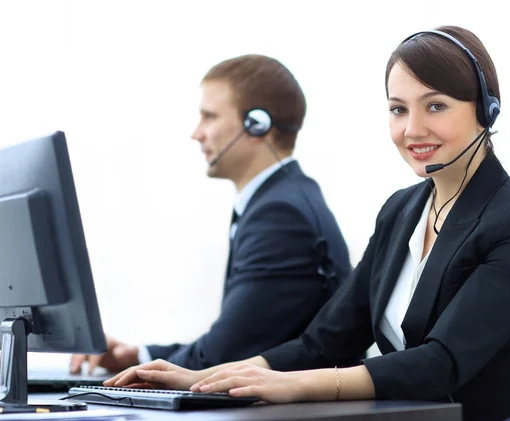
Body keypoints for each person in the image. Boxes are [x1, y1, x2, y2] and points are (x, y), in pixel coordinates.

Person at [103, 27, 510, 420]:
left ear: (486, 110)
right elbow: (325, 341)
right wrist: (204, 378)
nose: (411, 130)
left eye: (435, 106)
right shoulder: (401, 211)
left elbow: (442, 362)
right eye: (397, 109)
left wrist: (294, 386)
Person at [70, 54, 352, 373]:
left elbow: (224, 355)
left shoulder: (280, 215)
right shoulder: (279, 200)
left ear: (256, 124)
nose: (197, 133)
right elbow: (232, 341)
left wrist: (148, 369)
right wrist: (139, 355)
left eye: (209, 117)